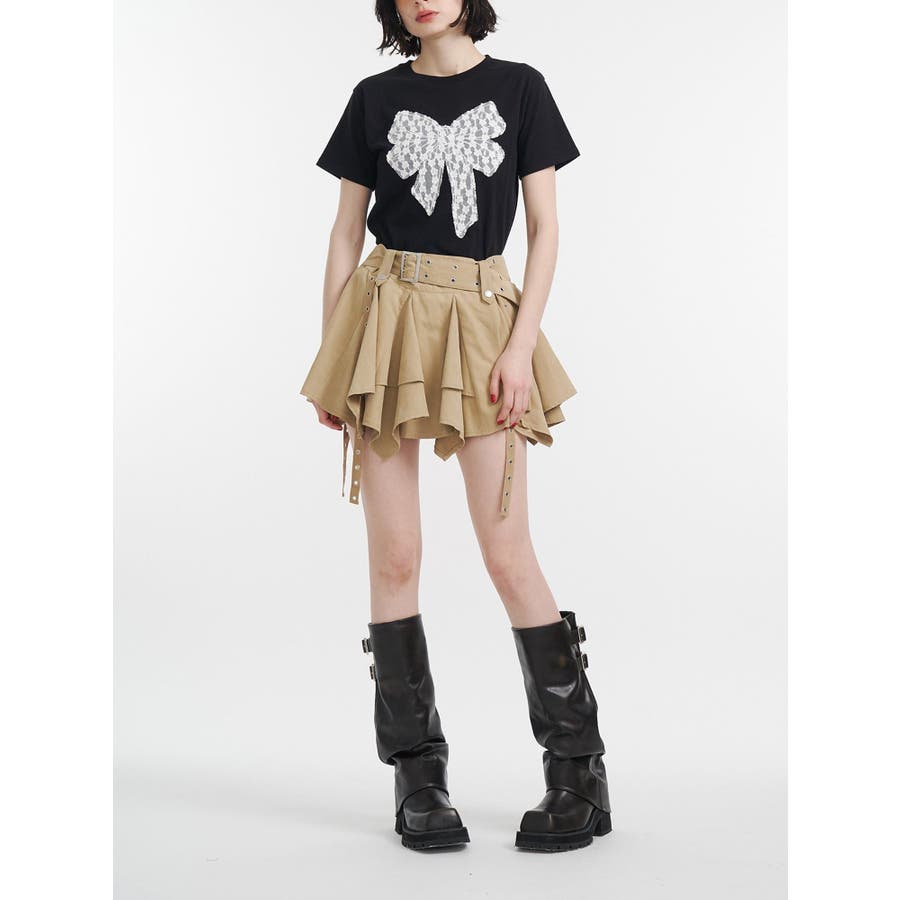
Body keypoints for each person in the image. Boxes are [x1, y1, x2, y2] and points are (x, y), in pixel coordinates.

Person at [299, 0, 612, 853]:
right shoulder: (373, 98)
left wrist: (520, 346)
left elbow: (545, 230)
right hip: (385, 319)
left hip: (482, 319)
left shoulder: (521, 89)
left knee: (507, 553)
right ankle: (418, 777)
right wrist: (333, 355)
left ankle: (578, 769)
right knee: (395, 557)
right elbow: (344, 233)